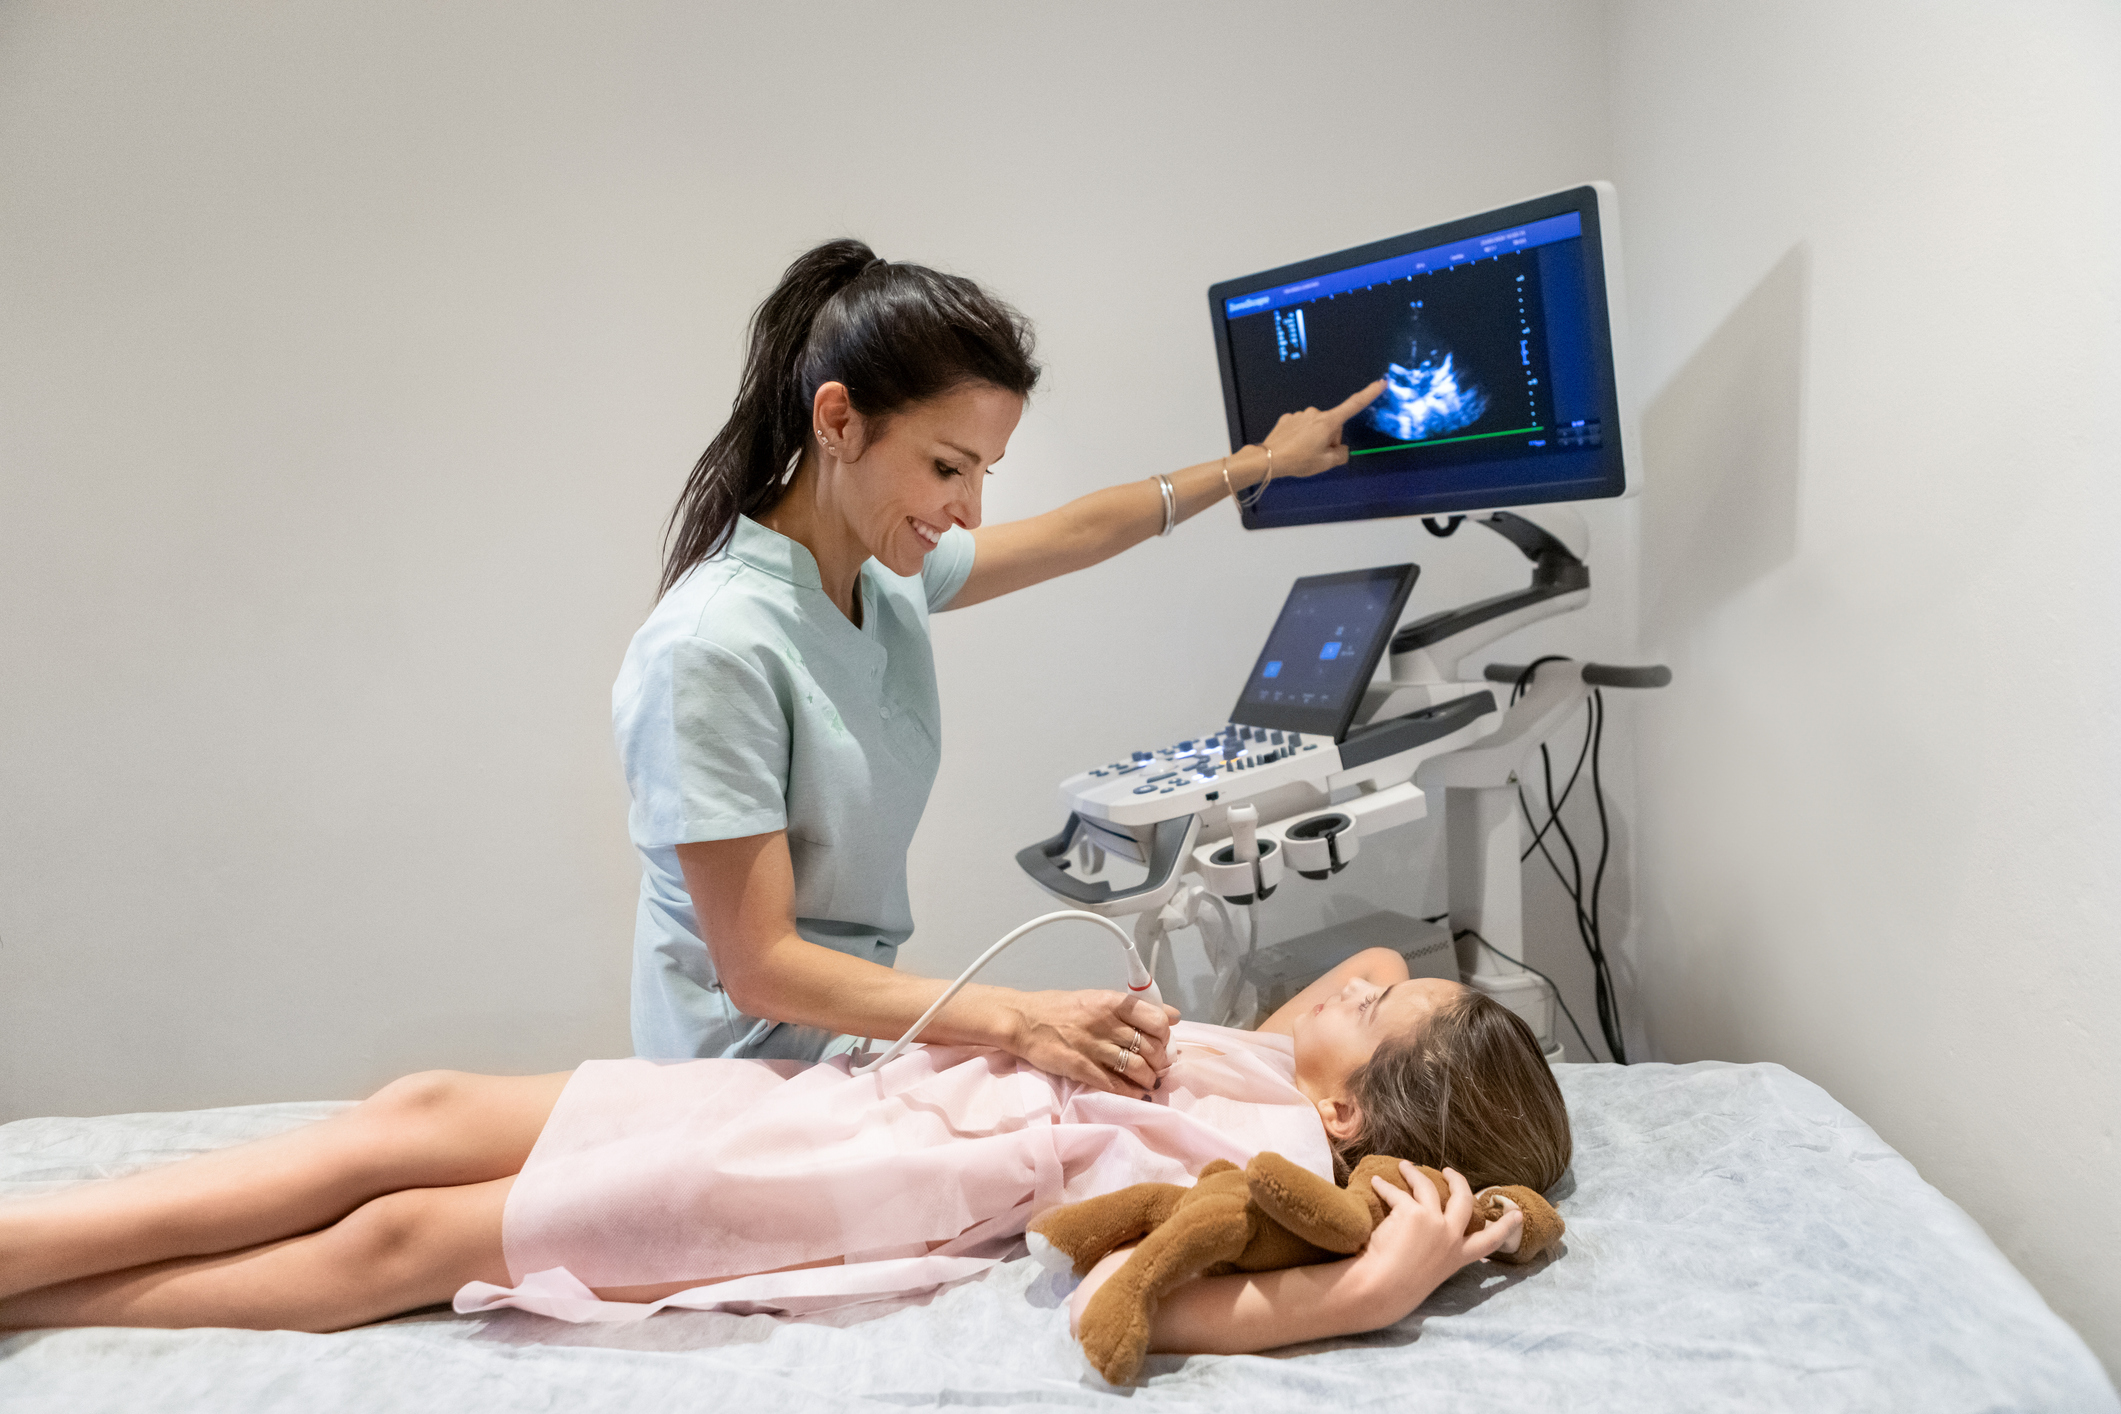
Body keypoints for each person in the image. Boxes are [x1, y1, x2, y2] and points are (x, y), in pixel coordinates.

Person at [615, 237, 1385, 1095]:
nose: (969, 508)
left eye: (984, 471)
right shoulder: (714, 646)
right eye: (947, 466)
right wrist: (1022, 1020)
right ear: (837, 422)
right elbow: (759, 969)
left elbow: (1078, 531)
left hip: (855, 1047)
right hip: (741, 1086)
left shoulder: (879, 577)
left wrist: (1262, 463)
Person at [0, 948, 1570, 1350]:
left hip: (816, 1183)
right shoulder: (1233, 1044)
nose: (1351, 970)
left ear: (1357, 1112)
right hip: (818, 1097)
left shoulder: (1273, 1149)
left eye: (1374, 1000)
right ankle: (35, 1236)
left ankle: (38, 1303)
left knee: (402, 1240)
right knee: (410, 1109)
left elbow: (1169, 1296)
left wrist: (1364, 1297)